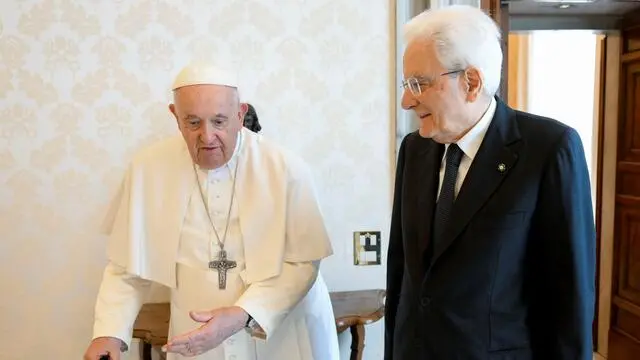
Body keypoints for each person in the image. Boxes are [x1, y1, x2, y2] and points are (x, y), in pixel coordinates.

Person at [83, 62, 340, 360]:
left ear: (241, 114)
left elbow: (304, 262)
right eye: (193, 123)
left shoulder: (285, 168)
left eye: (219, 122)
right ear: (174, 116)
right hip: (196, 334)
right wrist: (109, 333)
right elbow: (127, 267)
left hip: (280, 332)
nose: (207, 137)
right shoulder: (148, 168)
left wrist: (244, 313)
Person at [385, 5, 596, 360]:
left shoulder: (549, 149)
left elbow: (569, 297)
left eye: (418, 83)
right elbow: (401, 272)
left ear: (471, 82)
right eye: (407, 84)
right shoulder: (414, 149)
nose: (407, 100)